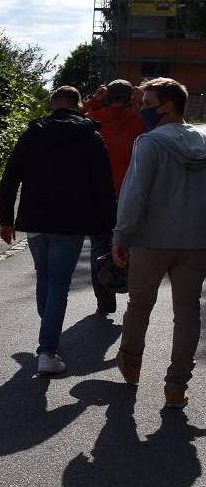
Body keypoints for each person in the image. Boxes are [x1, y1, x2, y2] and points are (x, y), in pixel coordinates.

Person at [0, 86, 116, 375]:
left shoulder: (32, 134)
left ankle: (48, 336)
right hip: (71, 222)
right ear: (78, 106)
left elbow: (10, 177)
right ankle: (47, 351)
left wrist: (6, 219)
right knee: (59, 285)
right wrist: (108, 226)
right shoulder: (91, 137)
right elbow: (104, 186)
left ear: (52, 104)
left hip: (35, 220)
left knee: (45, 278)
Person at [112, 77, 206, 408]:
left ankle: (131, 364)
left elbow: (134, 194)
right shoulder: (203, 140)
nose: (142, 109)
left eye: (147, 104)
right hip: (196, 240)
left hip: (151, 239)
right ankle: (177, 386)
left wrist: (121, 236)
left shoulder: (149, 143)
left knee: (139, 305)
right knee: (188, 312)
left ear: (168, 106)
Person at [81, 79, 146, 314]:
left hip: (98, 195)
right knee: (132, 247)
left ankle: (104, 300)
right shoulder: (139, 120)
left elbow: (71, 115)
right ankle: (133, 297)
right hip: (130, 194)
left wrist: (94, 101)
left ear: (107, 96)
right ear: (130, 98)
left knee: (98, 246)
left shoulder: (94, 119)